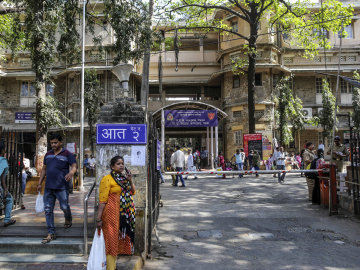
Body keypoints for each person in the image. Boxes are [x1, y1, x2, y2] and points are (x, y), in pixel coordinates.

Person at [37, 133, 77, 244]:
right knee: (48, 209)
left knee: (64, 206)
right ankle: (51, 232)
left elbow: (74, 166)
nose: (53, 145)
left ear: (60, 143)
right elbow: (44, 169)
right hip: (48, 187)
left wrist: (71, 173)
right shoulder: (48, 154)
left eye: (55, 142)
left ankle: (68, 218)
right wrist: (39, 183)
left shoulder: (67, 154)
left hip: (62, 187)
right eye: (52, 143)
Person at [97, 156, 136, 269]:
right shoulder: (107, 179)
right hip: (110, 214)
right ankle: (110, 267)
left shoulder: (124, 179)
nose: (121, 165)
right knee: (111, 240)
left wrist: (130, 181)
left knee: (117, 240)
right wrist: (98, 218)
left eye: (122, 163)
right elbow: (102, 200)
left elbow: (132, 192)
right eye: (118, 163)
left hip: (123, 215)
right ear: (112, 166)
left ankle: (113, 266)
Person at [0, 142, 16, 227]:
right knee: (9, 199)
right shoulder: (2, 160)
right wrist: (5, 190)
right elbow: (2, 176)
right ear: (3, 150)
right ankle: (7, 220)